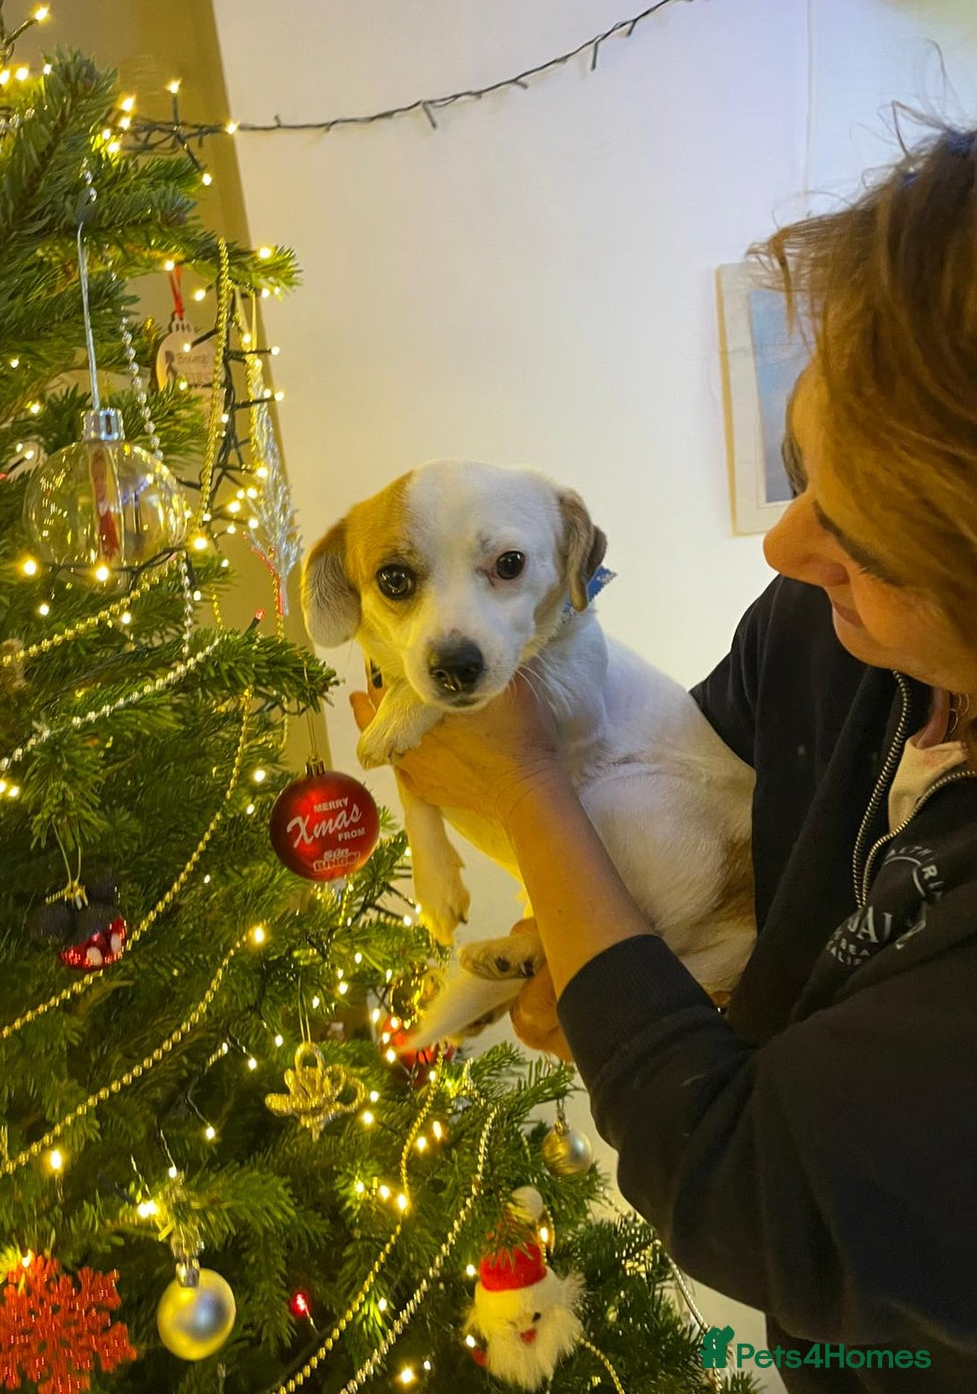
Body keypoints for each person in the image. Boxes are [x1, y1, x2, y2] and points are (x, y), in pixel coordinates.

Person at [349, 122, 977, 1391]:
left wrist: (528, 793)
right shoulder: (822, 632)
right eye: (802, 472)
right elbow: (677, 779)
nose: (782, 545)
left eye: (856, 528)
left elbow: (741, 1187)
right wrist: (594, 954)